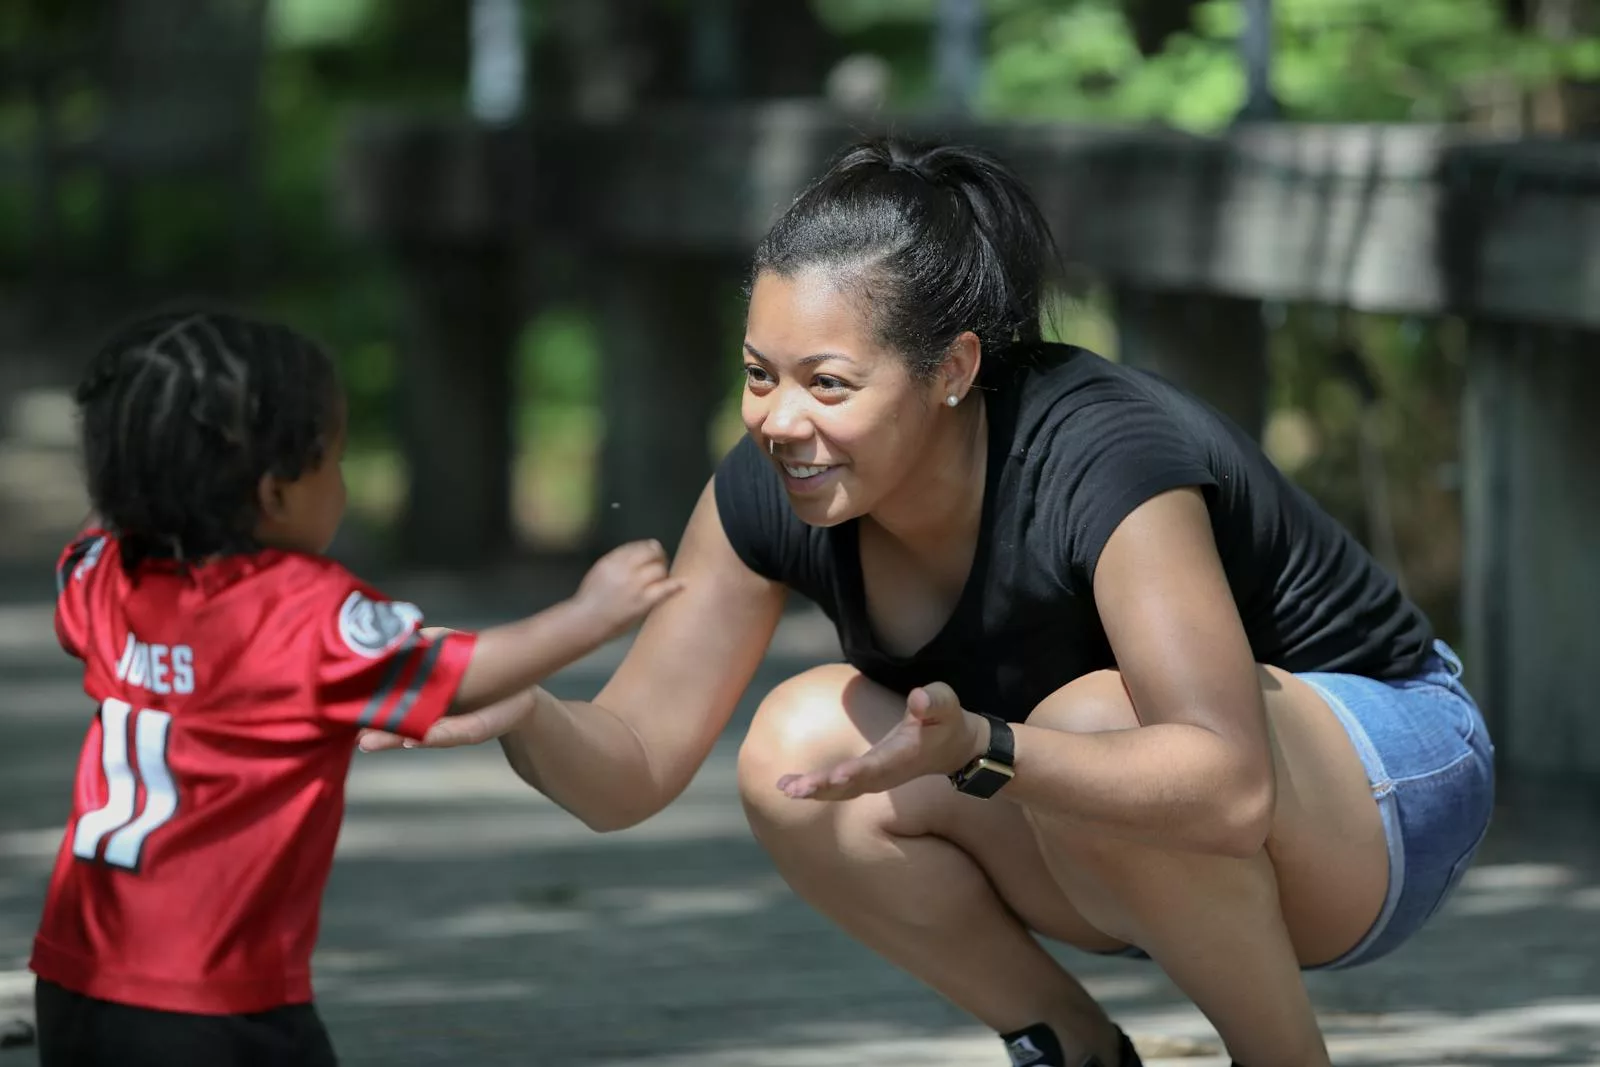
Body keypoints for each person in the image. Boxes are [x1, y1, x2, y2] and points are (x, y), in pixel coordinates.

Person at [363, 137, 1495, 1067]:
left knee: (1096, 723)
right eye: (759, 372)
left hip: (1385, 783)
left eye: (828, 382)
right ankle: (1073, 1047)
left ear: (952, 367)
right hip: (1121, 827)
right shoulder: (772, 484)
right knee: (796, 746)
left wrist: (991, 749)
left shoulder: (1099, 452)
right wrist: (508, 693)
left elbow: (1230, 781)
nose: (777, 417)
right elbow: (628, 767)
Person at [30, 309, 682, 1067]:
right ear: (274, 495)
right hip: (213, 996)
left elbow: (95, 528)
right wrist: (587, 618)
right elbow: (460, 678)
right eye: (334, 463)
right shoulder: (301, 612)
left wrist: (144, 450)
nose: (341, 482)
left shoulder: (107, 575)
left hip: (75, 977)